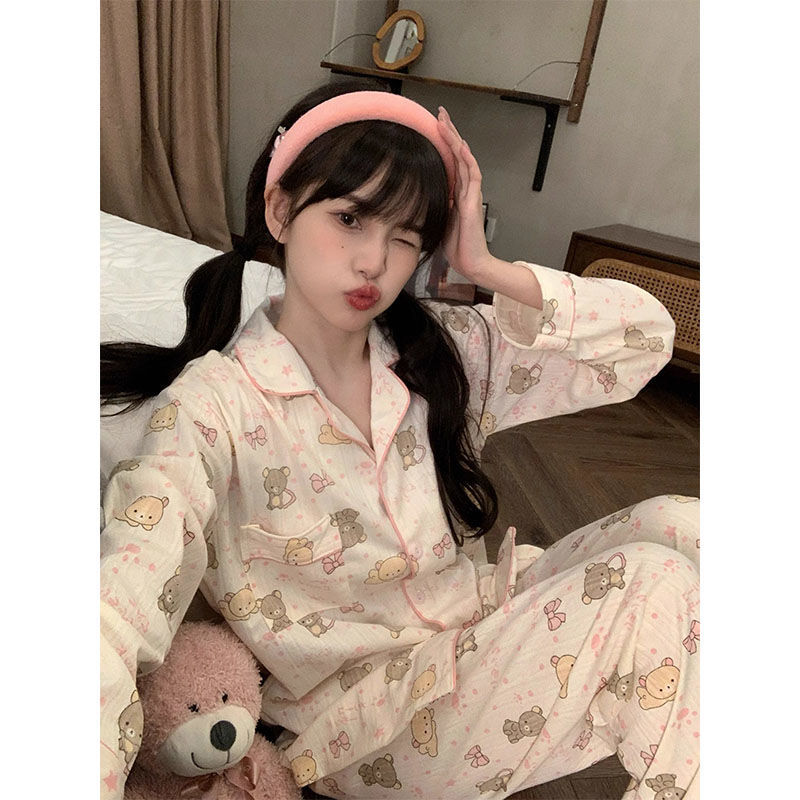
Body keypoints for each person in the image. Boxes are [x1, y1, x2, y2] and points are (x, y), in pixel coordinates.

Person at [100, 81, 699, 800]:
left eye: (406, 236)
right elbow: (120, 604)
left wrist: (484, 267)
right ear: (280, 209)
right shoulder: (212, 408)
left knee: (692, 527)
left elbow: (646, 341)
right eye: (350, 218)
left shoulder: (441, 353)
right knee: (654, 587)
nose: (374, 262)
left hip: (477, 623)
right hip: (367, 721)